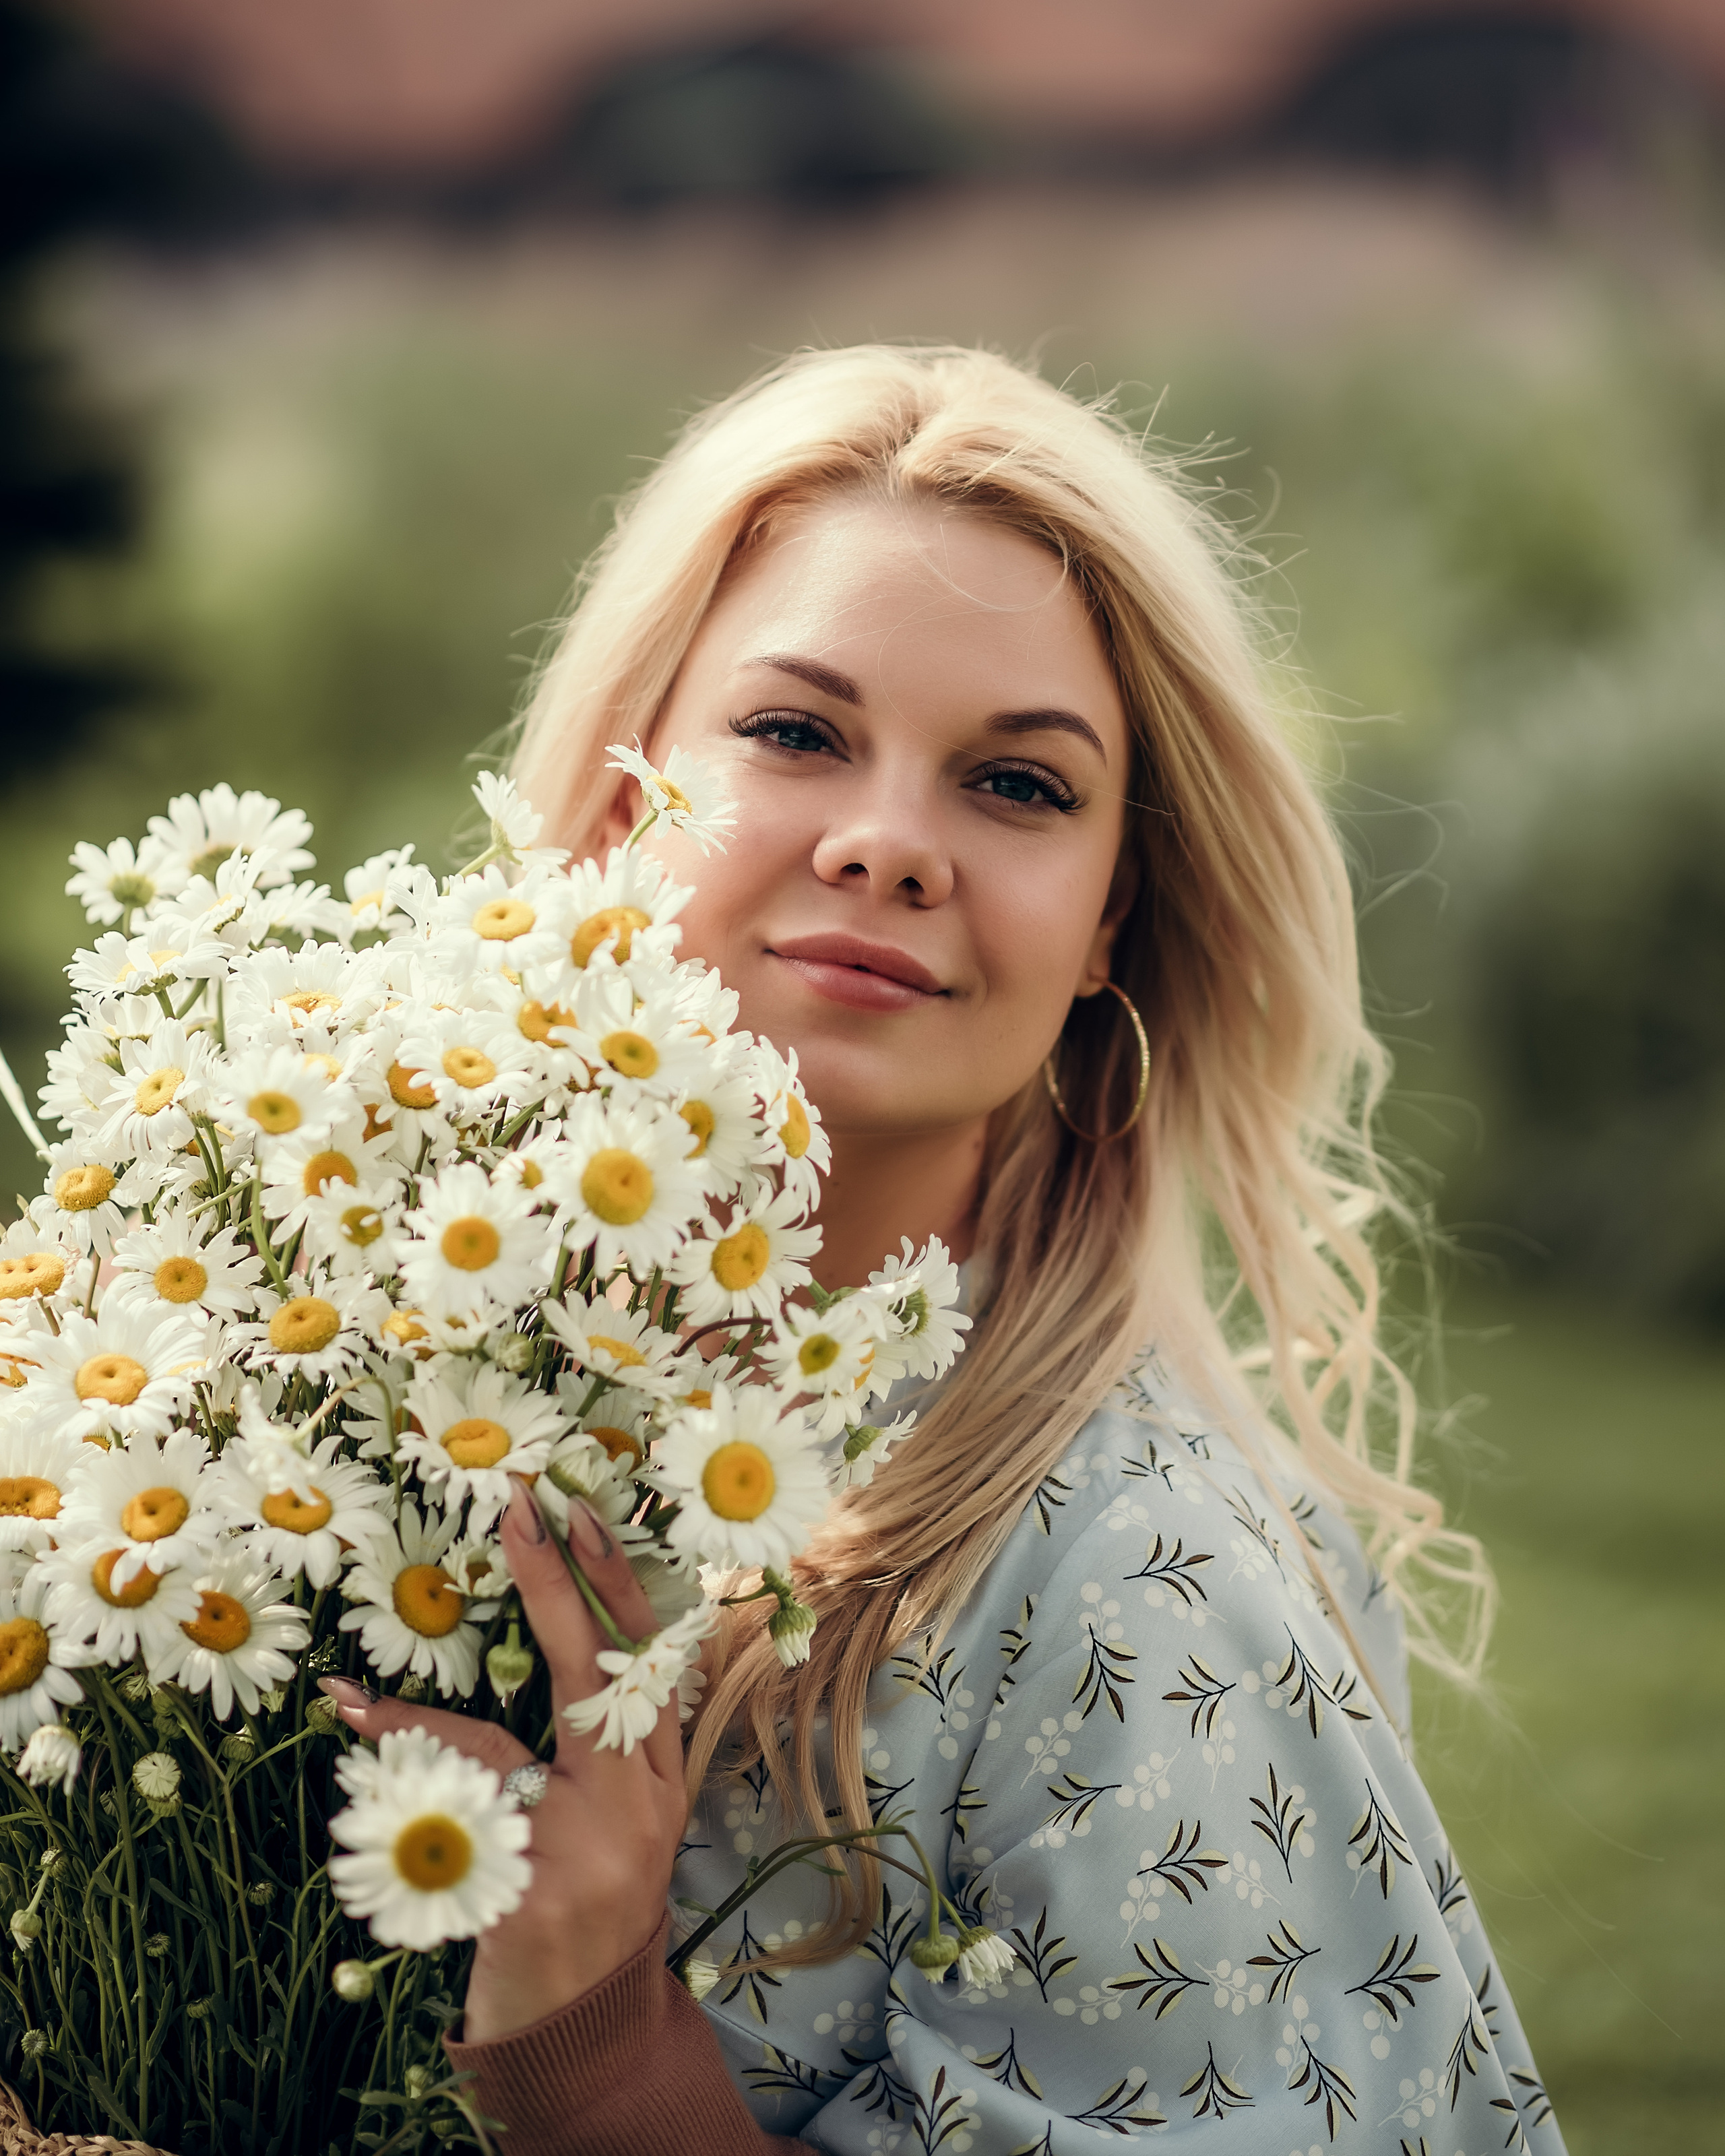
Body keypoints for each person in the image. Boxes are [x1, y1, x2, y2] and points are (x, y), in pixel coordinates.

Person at [321, 346, 1566, 2153]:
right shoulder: (351, 1378)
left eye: (1020, 787)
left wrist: (589, 2040)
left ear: (1105, 928)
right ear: (615, 813)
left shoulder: (1144, 1598)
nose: (891, 843)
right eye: (797, 733)